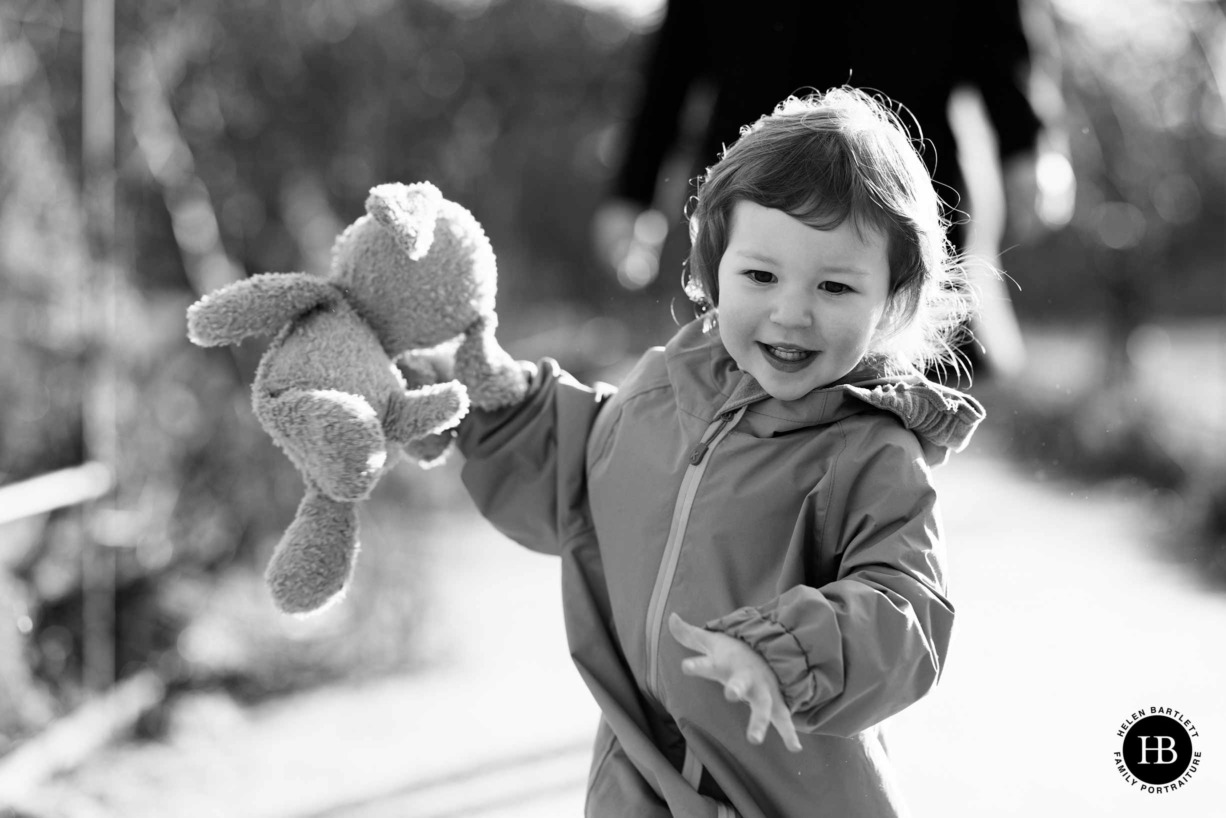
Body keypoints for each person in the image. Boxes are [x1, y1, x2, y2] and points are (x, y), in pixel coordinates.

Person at [452, 88, 985, 816]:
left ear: (890, 299)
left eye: (834, 286)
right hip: (639, 775)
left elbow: (907, 613)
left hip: (783, 791)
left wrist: (789, 651)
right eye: (760, 276)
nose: (791, 311)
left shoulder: (871, 454)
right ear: (712, 270)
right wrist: (498, 407)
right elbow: (581, 478)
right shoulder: (660, 392)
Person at [592, 0, 1075, 380]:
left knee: (899, 384)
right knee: (747, 363)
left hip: (900, 184)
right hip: (757, 193)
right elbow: (675, 53)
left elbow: (999, 31)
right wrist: (632, 192)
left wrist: (1029, 143)